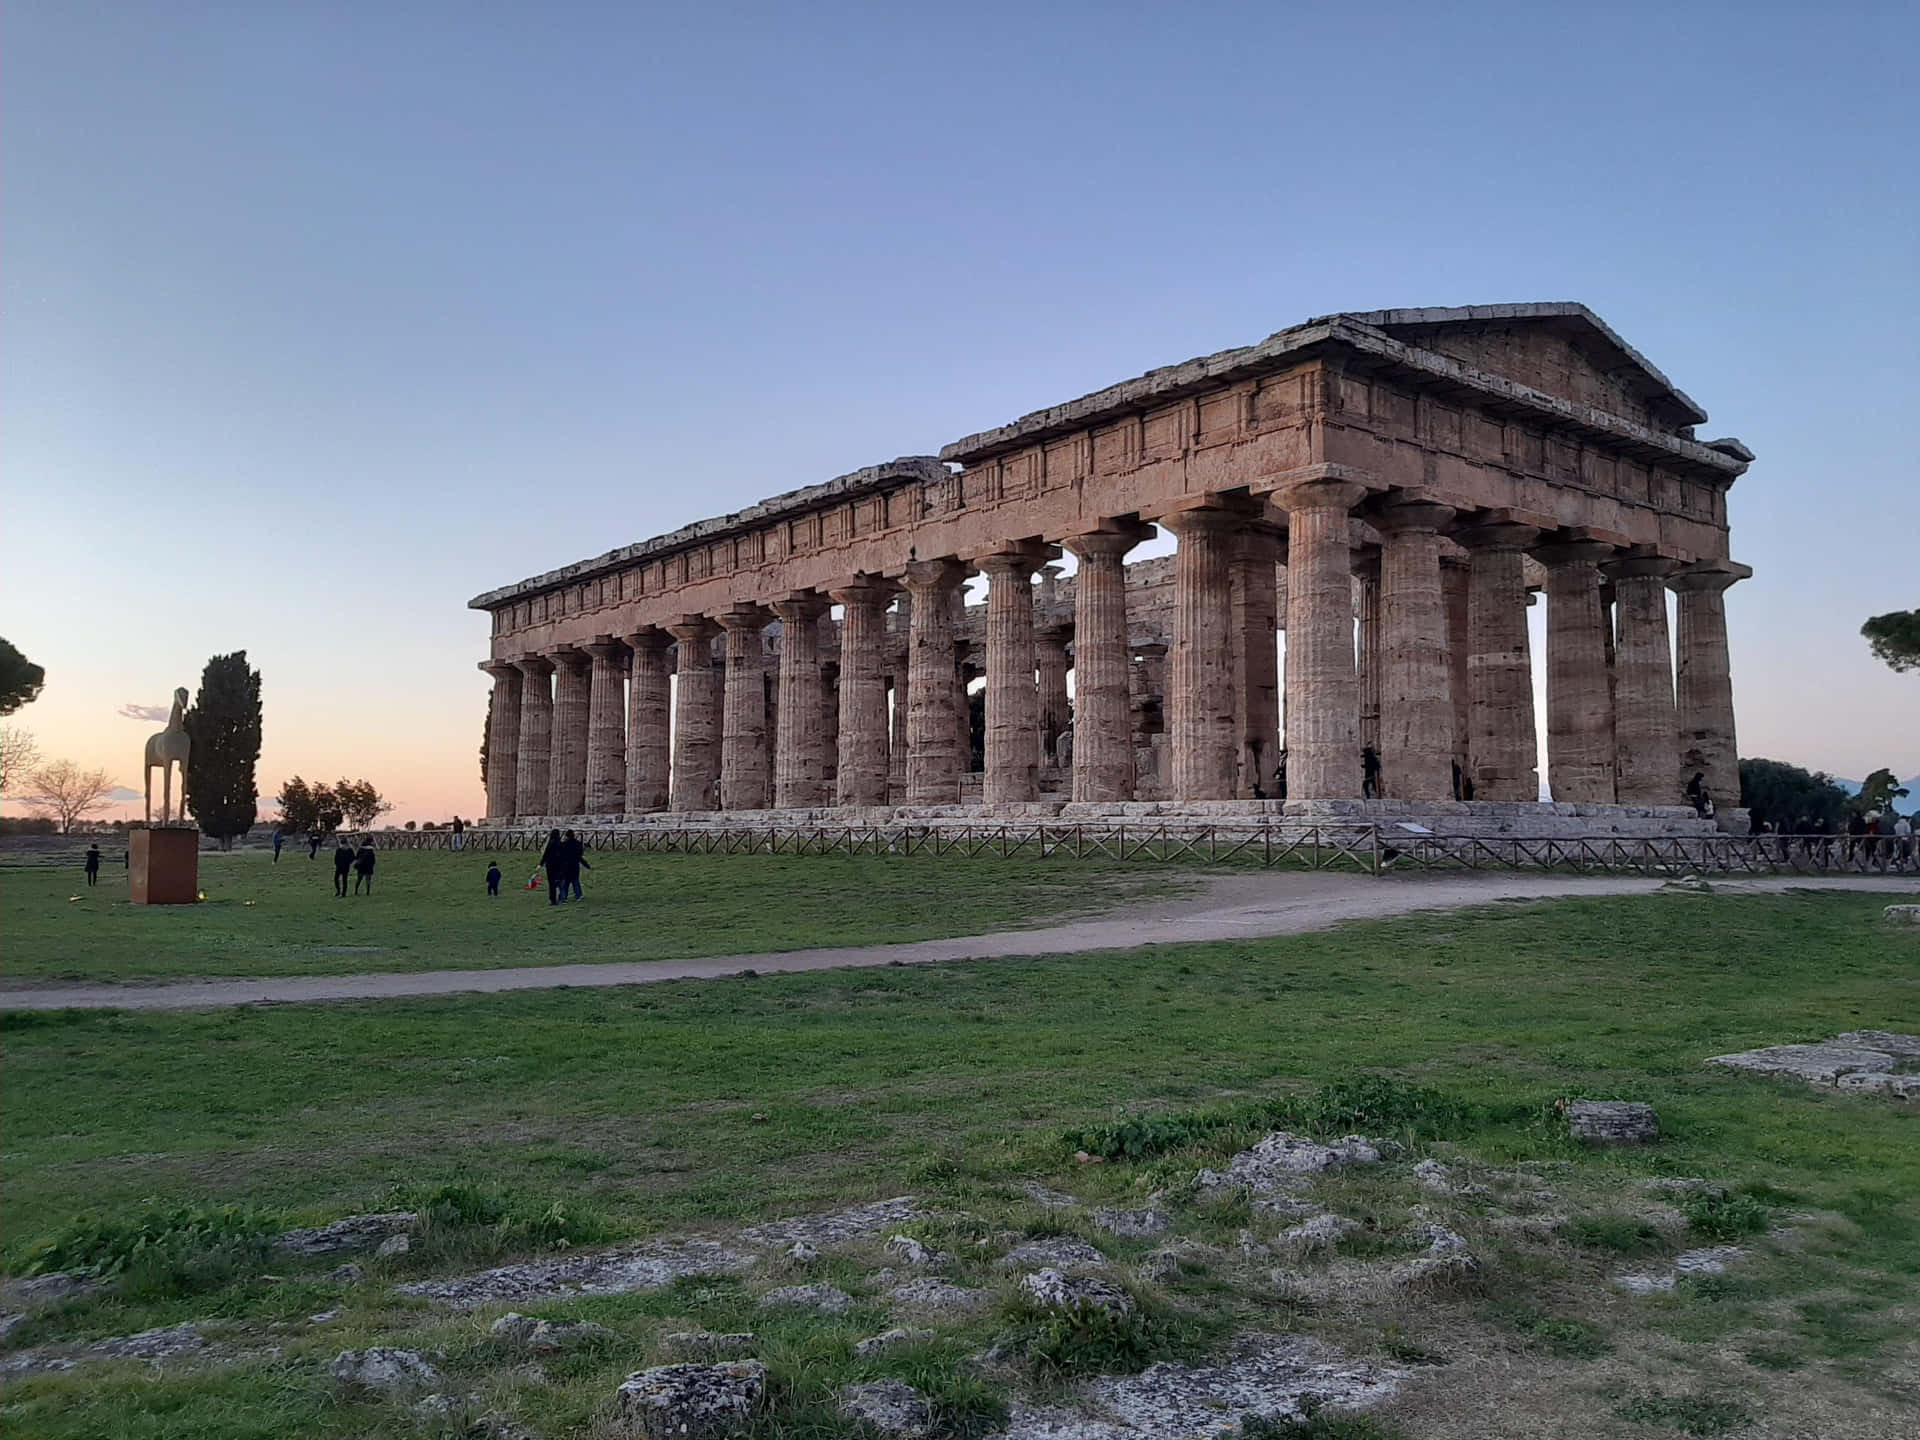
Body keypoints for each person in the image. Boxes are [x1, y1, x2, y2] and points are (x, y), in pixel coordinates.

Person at [538, 828, 565, 905]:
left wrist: (540, 864)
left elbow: (546, 855)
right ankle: (562, 897)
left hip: (550, 866)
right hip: (559, 866)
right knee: (560, 882)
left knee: (552, 884)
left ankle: (553, 899)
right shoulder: (560, 844)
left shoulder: (550, 844)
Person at [562, 829, 590, 900]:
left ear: (566, 836)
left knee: (566, 882)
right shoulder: (578, 844)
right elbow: (579, 856)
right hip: (575, 865)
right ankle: (578, 895)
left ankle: (564, 896)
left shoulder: (563, 844)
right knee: (575, 881)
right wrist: (586, 865)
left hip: (566, 865)